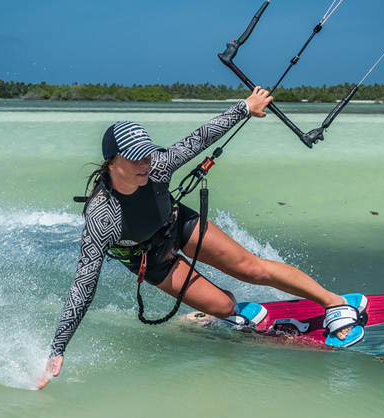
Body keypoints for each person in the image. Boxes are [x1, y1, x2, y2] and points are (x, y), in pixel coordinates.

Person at [37, 87, 366, 390]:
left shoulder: (158, 168)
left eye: (147, 154)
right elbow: (83, 285)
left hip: (176, 226)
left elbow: (198, 139)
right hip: (147, 260)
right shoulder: (101, 216)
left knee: (251, 269)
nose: (146, 163)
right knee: (224, 307)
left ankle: (333, 303)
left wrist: (245, 108)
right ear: (112, 162)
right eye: (136, 157)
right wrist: (58, 348)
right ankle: (215, 310)